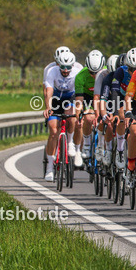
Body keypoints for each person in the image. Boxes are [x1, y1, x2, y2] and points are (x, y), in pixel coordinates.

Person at [43, 50, 81, 182]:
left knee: (71, 118)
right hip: (56, 98)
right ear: (58, 65)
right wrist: (48, 107)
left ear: (73, 65)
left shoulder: (77, 72)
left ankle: (70, 142)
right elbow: (49, 90)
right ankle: (49, 168)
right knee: (53, 130)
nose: (65, 70)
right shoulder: (52, 71)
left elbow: (78, 95)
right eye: (63, 67)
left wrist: (78, 110)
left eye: (68, 67)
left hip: (70, 97)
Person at [72, 49, 105, 167]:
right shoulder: (80, 76)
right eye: (91, 72)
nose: (94, 75)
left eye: (97, 72)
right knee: (89, 117)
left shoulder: (106, 73)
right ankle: (86, 143)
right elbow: (79, 101)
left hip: (102, 96)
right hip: (87, 98)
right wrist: (79, 116)